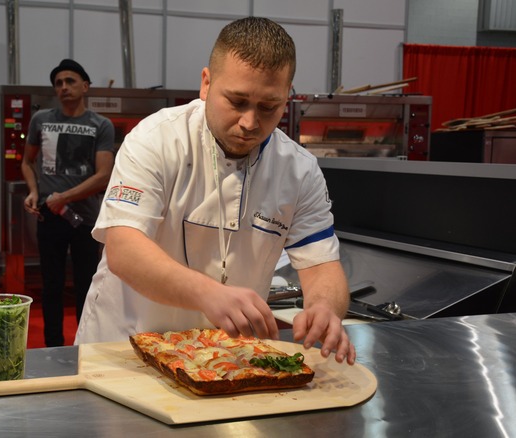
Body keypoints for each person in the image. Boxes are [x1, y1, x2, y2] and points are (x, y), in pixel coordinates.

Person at [74, 17, 356, 365]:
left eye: (269, 107)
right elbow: (123, 249)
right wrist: (209, 293)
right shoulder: (157, 139)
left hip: (225, 359)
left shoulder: (298, 170)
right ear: (206, 83)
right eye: (237, 102)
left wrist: (325, 308)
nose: (250, 123)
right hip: (124, 347)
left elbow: (322, 265)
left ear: (287, 96)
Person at [21, 59, 115, 347]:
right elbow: (27, 162)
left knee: (87, 286)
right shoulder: (41, 120)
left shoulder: (101, 125)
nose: (64, 87)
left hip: (86, 219)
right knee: (51, 286)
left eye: (70, 81)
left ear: (85, 86)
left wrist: (65, 197)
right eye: (58, 83)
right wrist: (33, 192)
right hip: (49, 217)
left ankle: (84, 347)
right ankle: (52, 348)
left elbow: (103, 176)